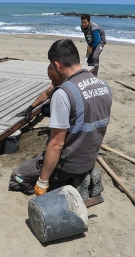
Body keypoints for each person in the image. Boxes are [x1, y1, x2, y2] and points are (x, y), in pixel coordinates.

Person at [9, 39, 112, 200]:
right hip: (90, 157)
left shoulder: (63, 93)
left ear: (57, 65)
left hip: (69, 163)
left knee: (17, 177)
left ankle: (70, 183)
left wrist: (42, 182)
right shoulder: (103, 85)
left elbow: (56, 144)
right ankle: (83, 174)